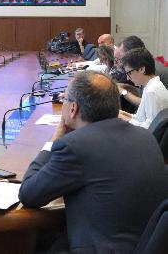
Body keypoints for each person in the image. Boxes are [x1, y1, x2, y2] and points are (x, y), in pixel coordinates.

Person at [18, 71, 168, 253]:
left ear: (73, 108)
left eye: (64, 99)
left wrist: (54, 140)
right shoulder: (145, 136)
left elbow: (28, 194)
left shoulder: (74, 147)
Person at [118, 48, 168, 129]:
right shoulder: (150, 86)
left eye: (129, 73)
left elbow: (151, 128)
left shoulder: (152, 91)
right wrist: (124, 115)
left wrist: (125, 118)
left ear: (142, 69)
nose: (127, 78)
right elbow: (141, 118)